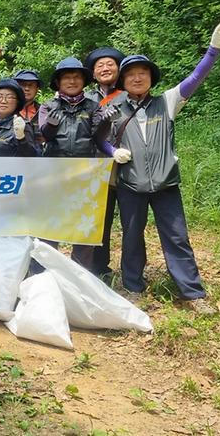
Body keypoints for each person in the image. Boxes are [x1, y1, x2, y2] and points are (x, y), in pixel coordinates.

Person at [103, 17, 220, 315]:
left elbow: (195, 79)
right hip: (130, 185)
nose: (137, 78)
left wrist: (213, 49)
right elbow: (98, 139)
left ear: (151, 78)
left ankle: (192, 293)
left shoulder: (168, 102)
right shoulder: (112, 109)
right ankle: (133, 287)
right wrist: (112, 150)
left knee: (177, 236)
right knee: (131, 236)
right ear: (123, 82)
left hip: (166, 184)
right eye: (131, 75)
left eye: (143, 73)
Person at [39, 57, 118, 269]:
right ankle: (45, 273)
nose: (72, 81)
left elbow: (99, 139)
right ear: (58, 82)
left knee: (83, 227)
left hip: (86, 174)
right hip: (54, 173)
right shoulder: (48, 106)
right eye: (67, 77)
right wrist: (51, 127)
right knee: (50, 225)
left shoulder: (93, 106)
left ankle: (81, 277)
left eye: (76, 77)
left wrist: (105, 121)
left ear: (84, 80)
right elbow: (42, 136)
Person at [80, 46, 127, 277]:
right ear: (93, 73)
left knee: (132, 222)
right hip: (98, 166)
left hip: (130, 166)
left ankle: (132, 272)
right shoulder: (87, 99)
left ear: (119, 69)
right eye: (100, 66)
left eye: (110, 64)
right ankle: (98, 268)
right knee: (99, 219)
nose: (105, 68)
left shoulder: (130, 93)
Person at [0, 79, 37, 158]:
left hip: (10, 170)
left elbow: (32, 157)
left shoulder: (22, 125)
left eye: (9, 97)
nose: (3, 101)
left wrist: (21, 138)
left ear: (17, 102)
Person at [13, 69, 43, 144]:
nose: (27, 89)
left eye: (31, 85)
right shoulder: (8, 110)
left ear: (37, 89)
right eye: (23, 85)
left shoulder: (44, 111)